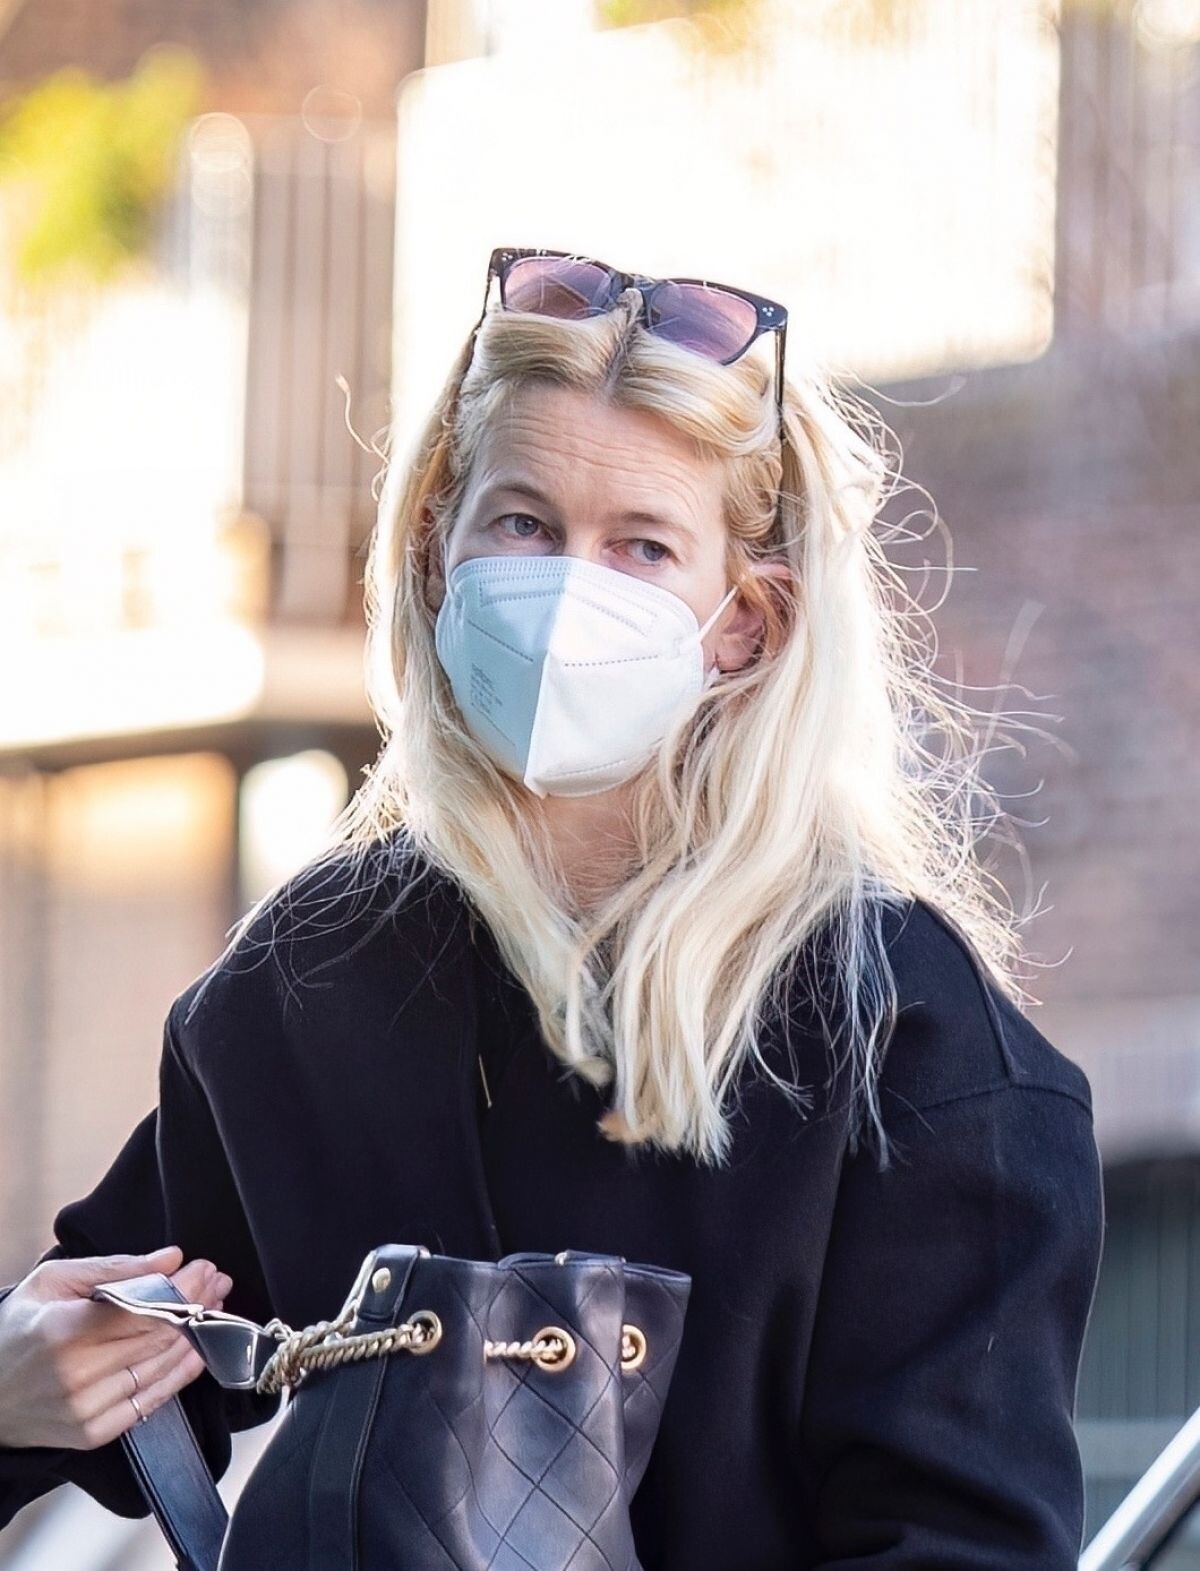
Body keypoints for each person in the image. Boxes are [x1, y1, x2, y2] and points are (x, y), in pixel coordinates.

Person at [0, 247, 1104, 1567]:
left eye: (642, 546)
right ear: (437, 551)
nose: (570, 588)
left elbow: (963, 1543)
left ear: (744, 621)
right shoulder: (308, 985)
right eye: (524, 524)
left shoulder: (906, 1040)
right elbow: (95, 1350)